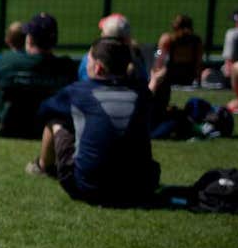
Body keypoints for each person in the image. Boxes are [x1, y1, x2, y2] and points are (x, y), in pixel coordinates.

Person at [29, 38, 160, 206]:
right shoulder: (141, 93)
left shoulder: (78, 92)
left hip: (88, 188)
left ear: (98, 68)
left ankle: (42, 167)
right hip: (140, 188)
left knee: (56, 120)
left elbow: (44, 111)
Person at [0, 14, 75, 138]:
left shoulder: (8, 60)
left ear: (29, 39)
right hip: (42, 129)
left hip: (5, 127)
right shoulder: (67, 67)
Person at [75, 14, 148, 83]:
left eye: (102, 31)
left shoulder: (90, 60)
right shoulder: (137, 60)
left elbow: (84, 84)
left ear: (104, 36)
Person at [155, 14, 204, 87]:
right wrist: (198, 79)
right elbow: (199, 61)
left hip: (172, 74)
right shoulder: (196, 40)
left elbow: (159, 56)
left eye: (175, 22)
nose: (172, 23)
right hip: (188, 75)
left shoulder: (168, 39)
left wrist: (156, 69)